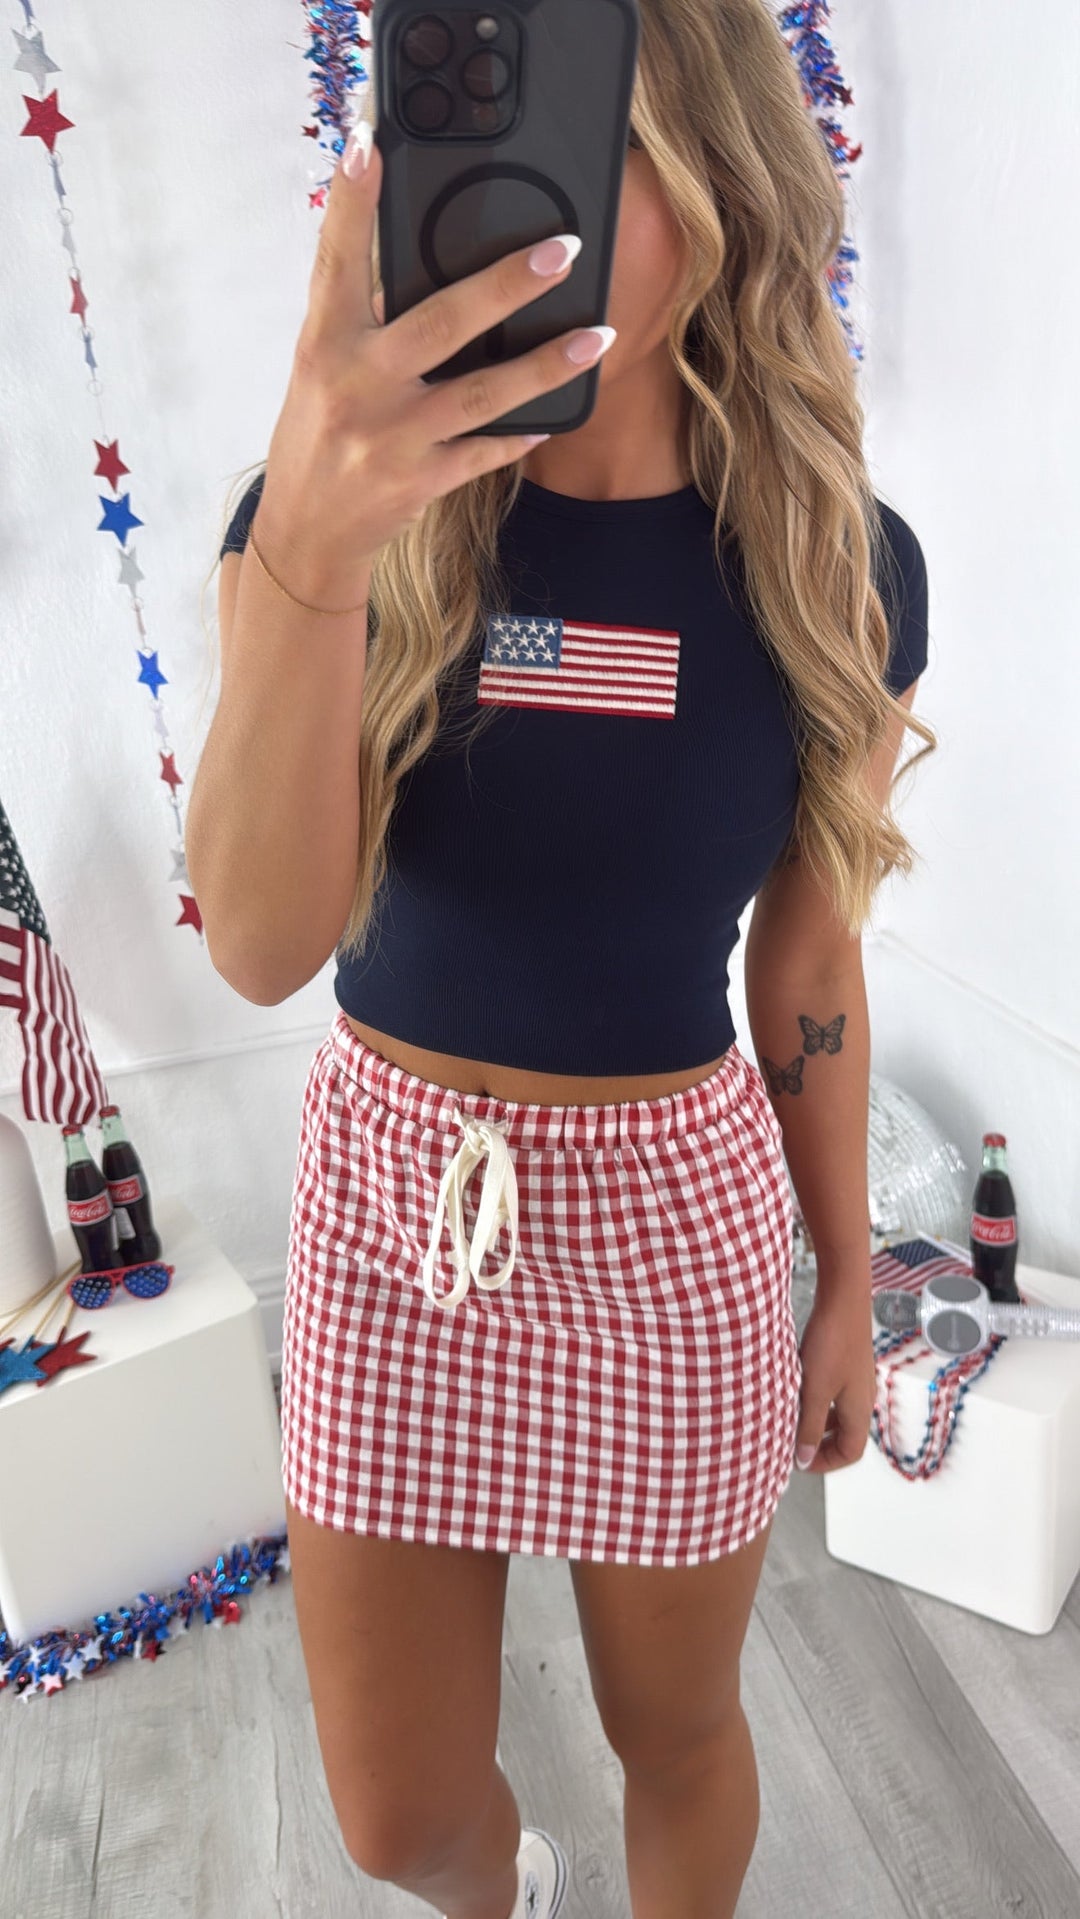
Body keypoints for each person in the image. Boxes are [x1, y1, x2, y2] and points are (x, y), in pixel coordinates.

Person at [188, 3, 935, 1914]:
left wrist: (847, 1278)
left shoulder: (834, 565)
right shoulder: (329, 518)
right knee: (400, 1821)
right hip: (389, 1213)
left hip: (673, 1225)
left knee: (674, 1734)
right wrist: (316, 551)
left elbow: (811, 964)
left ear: (723, 173)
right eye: (480, 136)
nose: (530, 204)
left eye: (592, 132)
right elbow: (261, 946)